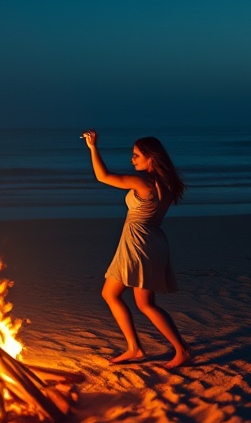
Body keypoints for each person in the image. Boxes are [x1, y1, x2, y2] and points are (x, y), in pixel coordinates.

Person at [81, 129, 191, 368]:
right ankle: (135, 348)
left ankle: (181, 350)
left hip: (138, 243)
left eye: (136, 155)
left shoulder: (143, 182)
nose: (132, 160)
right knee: (111, 294)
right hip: (153, 240)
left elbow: (103, 176)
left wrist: (93, 148)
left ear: (151, 158)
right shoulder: (167, 184)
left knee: (144, 304)